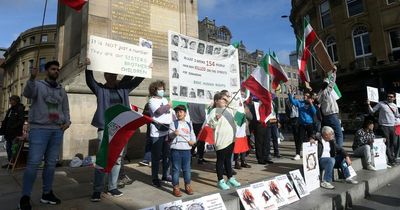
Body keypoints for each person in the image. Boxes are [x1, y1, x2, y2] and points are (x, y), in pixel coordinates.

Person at [85, 58, 145, 201]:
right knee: (102, 159)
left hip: (120, 128)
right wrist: (88, 67)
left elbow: (137, 80)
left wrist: (145, 68)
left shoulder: (124, 89)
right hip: (104, 128)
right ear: (105, 75)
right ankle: (97, 190)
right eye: (108, 74)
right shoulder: (100, 89)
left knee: (117, 159)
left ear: (116, 76)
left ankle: (112, 187)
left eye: (114, 74)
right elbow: (89, 81)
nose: (111, 76)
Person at [19, 61, 71, 210]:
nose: (56, 71)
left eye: (57, 69)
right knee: (33, 164)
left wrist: (67, 122)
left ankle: (46, 193)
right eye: (53, 69)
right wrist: (31, 78)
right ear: (46, 70)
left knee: (50, 165)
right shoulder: (38, 85)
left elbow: (65, 108)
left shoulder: (61, 90)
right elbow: (27, 93)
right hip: (39, 129)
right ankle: (25, 197)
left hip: (56, 130)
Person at [207, 92, 241, 190]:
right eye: (222, 99)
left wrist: (227, 99)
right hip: (221, 140)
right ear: (216, 101)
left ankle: (230, 178)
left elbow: (235, 106)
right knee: (220, 161)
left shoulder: (229, 110)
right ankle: (220, 180)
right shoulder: (214, 110)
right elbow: (211, 124)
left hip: (231, 139)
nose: (224, 100)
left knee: (228, 160)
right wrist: (216, 119)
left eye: (225, 99)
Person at [148, 80, 173, 187]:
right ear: (155, 90)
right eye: (160, 89)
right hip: (157, 133)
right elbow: (158, 112)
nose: (162, 91)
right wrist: (168, 106)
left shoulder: (165, 99)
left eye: (163, 89)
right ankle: (154, 177)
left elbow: (168, 112)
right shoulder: (152, 101)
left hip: (167, 130)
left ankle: (165, 174)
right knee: (156, 156)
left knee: (167, 155)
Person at [168, 105, 196, 197]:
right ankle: (176, 187)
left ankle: (188, 186)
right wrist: (174, 134)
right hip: (176, 150)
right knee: (176, 170)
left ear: (185, 113)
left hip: (186, 150)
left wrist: (193, 141)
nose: (178, 113)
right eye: (177, 112)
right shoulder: (173, 123)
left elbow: (193, 136)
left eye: (180, 112)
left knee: (187, 169)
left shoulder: (189, 124)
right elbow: (170, 136)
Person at [367, 91, 400, 166]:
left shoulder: (395, 106)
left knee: (393, 143)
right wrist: (369, 104)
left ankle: (391, 157)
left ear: (394, 98)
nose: (389, 97)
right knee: (387, 143)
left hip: (393, 126)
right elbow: (372, 111)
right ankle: (391, 160)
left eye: (391, 96)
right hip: (384, 126)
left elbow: (397, 115)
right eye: (388, 96)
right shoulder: (381, 103)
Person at [317, 67, 344, 148]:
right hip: (332, 115)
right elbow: (332, 83)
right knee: (339, 134)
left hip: (326, 117)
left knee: (330, 134)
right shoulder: (326, 91)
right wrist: (334, 73)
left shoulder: (319, 94)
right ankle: (339, 151)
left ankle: (331, 149)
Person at [289, 89, 316, 160]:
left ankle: (312, 153)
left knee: (311, 139)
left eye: (306, 96)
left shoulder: (310, 104)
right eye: (304, 96)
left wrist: (311, 104)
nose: (305, 97)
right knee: (299, 139)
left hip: (310, 124)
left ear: (309, 97)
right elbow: (292, 101)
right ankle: (298, 154)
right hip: (302, 124)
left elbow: (314, 112)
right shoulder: (300, 103)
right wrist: (290, 94)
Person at [0, 95, 25, 169]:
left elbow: (21, 121)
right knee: (8, 149)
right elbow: (5, 120)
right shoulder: (10, 110)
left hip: (15, 133)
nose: (10, 102)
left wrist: (13, 127)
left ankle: (14, 163)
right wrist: (2, 129)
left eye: (11, 100)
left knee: (14, 149)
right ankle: (10, 163)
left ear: (16, 101)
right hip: (8, 133)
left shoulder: (19, 109)